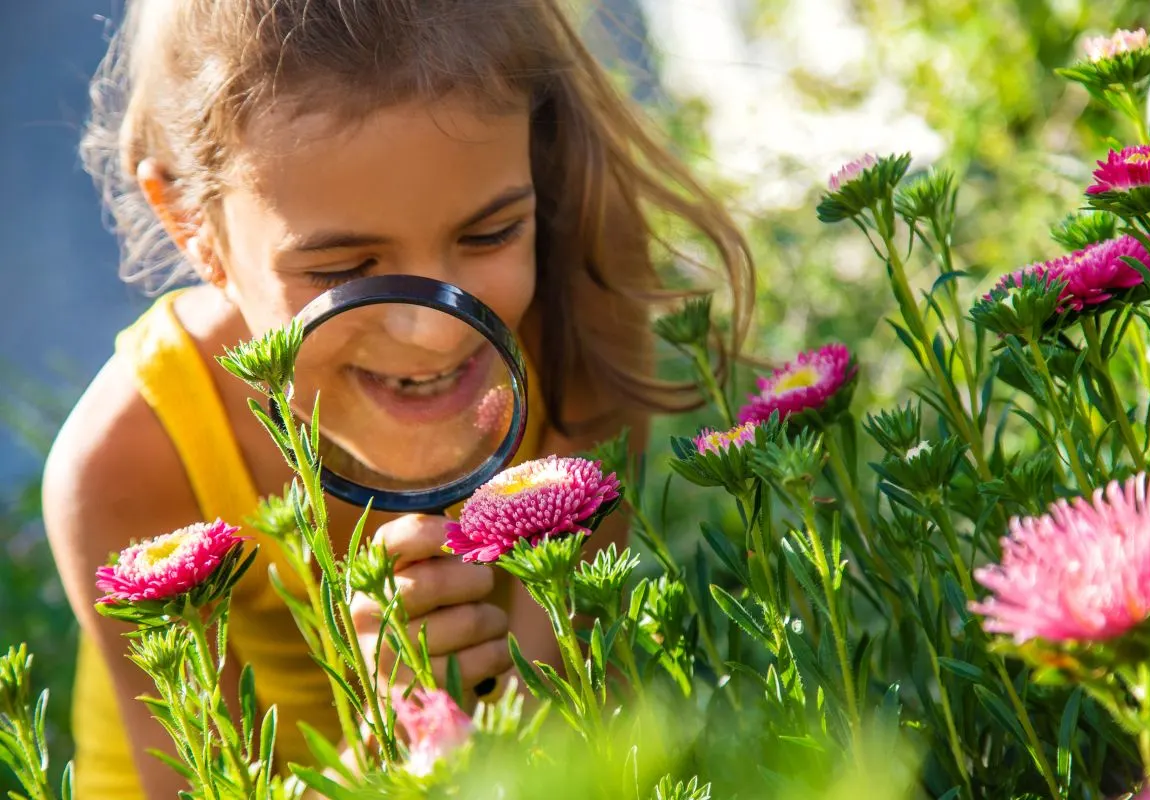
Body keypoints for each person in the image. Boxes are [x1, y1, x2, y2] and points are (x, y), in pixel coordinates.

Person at [41, 0, 754, 796]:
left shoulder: (577, 330)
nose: (434, 332)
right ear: (191, 225)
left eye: (489, 236)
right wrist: (395, 742)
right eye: (344, 268)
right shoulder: (132, 459)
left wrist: (484, 719)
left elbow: (581, 730)